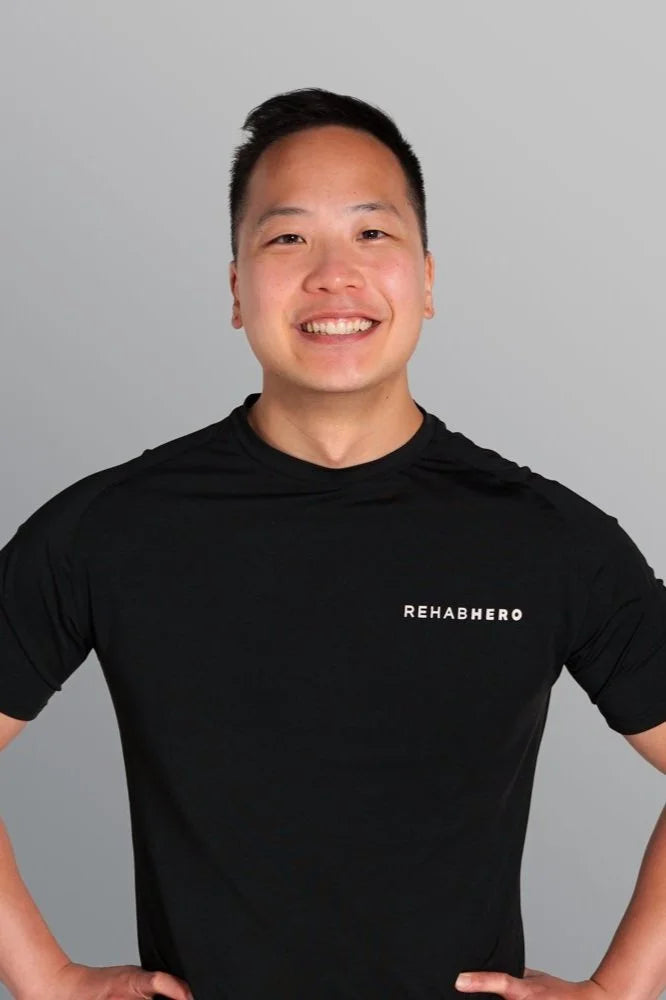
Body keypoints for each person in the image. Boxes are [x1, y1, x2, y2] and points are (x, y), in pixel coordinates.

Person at [0, 87, 665, 1000]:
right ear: (236, 290)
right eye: (286, 238)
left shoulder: (547, 539)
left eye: (370, 232)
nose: (332, 275)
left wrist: (622, 988)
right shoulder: (113, 526)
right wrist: (42, 977)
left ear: (427, 280)